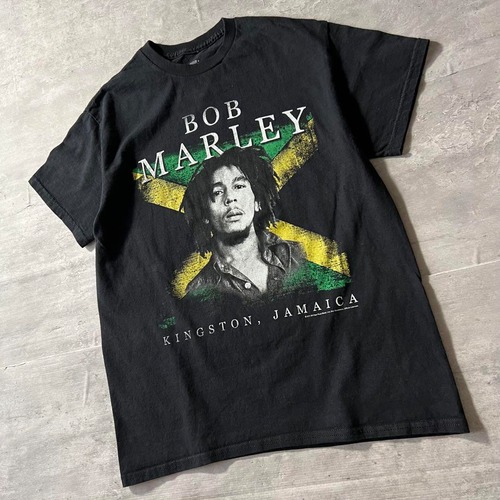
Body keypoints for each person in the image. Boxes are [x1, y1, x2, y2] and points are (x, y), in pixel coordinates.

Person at [179, 145, 307, 301]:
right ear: (205, 213)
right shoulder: (199, 292)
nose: (230, 198)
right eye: (217, 192)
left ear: (257, 202)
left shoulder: (297, 255)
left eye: (239, 186)